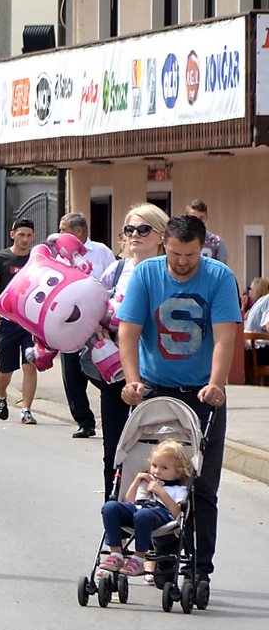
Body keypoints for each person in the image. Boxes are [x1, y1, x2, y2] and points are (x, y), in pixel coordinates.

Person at [117, 214, 241, 584]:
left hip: (203, 393)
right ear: (163, 246)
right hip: (156, 390)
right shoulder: (146, 274)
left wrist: (217, 384)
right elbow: (128, 332)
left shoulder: (219, 277)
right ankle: (165, 562)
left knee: (201, 485)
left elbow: (224, 337)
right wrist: (132, 381)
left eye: (190, 254)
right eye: (175, 253)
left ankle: (201, 569)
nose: (182, 261)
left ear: (202, 247)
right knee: (160, 478)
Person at [97, 204, 169, 490]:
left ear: (161, 236)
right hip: (117, 373)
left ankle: (153, 513)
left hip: (156, 371)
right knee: (114, 451)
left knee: (155, 451)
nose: (135, 235)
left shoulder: (167, 272)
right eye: (129, 230)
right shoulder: (115, 271)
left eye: (143, 229)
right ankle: (113, 516)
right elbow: (92, 308)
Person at [56, 212, 114, 439]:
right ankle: (84, 421)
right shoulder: (58, 255)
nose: (60, 234)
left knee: (99, 369)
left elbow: (113, 284)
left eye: (63, 229)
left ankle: (115, 406)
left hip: (97, 323)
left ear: (78, 231)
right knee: (71, 373)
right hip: (68, 323)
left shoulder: (102, 252)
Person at [98, 440, 192, 578]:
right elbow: (129, 502)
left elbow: (178, 513)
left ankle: (139, 558)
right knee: (110, 507)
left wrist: (160, 491)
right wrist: (136, 483)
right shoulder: (145, 482)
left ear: (178, 473)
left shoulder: (179, 489)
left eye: (164, 468)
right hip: (138, 509)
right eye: (154, 466)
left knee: (143, 514)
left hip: (161, 515)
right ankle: (116, 554)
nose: (157, 471)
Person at [0, 218, 38, 424]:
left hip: (31, 321)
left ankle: (26, 410)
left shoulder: (37, 258)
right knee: (5, 369)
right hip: (6, 320)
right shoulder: (0, 258)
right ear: (13, 235)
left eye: (28, 235)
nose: (25, 239)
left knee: (30, 363)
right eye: (21, 235)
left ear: (33, 236)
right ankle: (1, 394)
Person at [185, 199, 228, 264]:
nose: (198, 222)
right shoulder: (179, 240)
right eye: (194, 218)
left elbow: (223, 270)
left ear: (207, 218)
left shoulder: (217, 242)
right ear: (186, 218)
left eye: (201, 218)